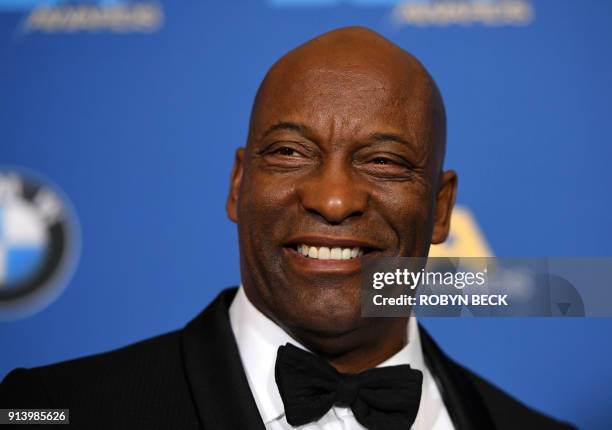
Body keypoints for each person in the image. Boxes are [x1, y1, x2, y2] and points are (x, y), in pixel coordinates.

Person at [0, 27, 573, 429]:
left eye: (383, 161)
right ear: (237, 184)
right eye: (292, 152)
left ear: (441, 209)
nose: (333, 199)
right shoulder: (55, 411)